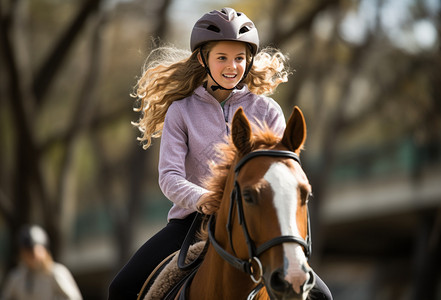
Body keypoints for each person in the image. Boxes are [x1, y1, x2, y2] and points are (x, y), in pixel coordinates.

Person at [108, 7, 332, 300]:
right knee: (121, 288)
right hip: (190, 223)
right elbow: (170, 177)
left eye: (239, 58)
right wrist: (205, 200)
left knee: (322, 297)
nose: (232, 66)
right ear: (203, 59)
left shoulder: (268, 111)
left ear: (249, 60)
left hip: (256, 222)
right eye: (222, 58)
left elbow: (283, 178)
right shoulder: (181, 111)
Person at [1, 224, 83, 300]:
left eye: (34, 252)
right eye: (27, 252)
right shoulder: (16, 277)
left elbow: (74, 298)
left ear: (44, 250)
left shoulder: (55, 273)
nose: (31, 256)